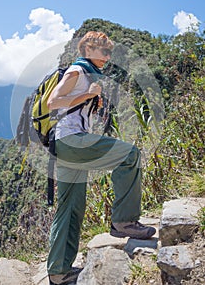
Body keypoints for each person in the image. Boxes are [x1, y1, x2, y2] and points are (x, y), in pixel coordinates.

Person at [46, 31, 156, 285]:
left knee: (70, 207)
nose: (107, 56)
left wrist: (91, 99)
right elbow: (53, 101)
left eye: (109, 51)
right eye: (103, 50)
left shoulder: (86, 73)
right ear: (88, 50)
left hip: (64, 143)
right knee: (129, 154)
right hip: (72, 141)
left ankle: (59, 272)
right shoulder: (77, 70)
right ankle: (124, 222)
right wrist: (88, 94)